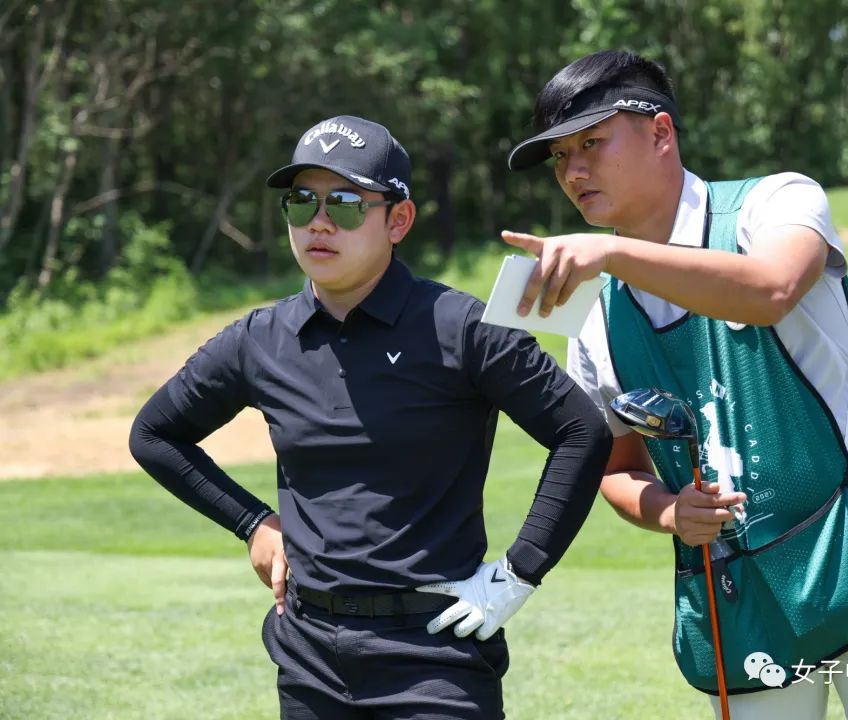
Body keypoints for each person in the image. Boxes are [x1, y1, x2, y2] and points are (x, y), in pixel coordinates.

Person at [502, 50, 848, 720]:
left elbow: (773, 289)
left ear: (661, 133)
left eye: (592, 144)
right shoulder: (594, 308)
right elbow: (614, 464)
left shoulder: (776, 201)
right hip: (741, 582)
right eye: (560, 157)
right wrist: (667, 510)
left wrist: (610, 253)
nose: (573, 172)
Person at [129, 114, 612, 719]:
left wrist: (518, 574)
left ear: (398, 220)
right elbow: (154, 434)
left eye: (347, 203)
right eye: (301, 202)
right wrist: (253, 522)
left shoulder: (463, 327)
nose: (319, 222)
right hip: (308, 657)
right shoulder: (260, 338)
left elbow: (581, 430)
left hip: (438, 658)